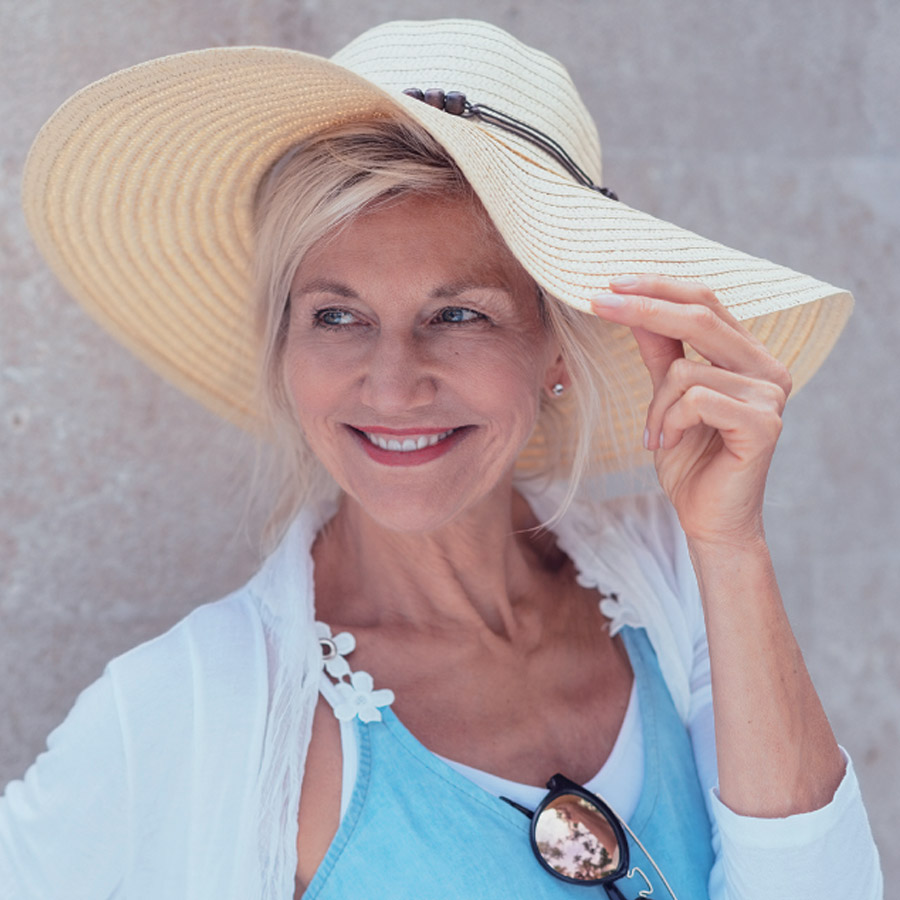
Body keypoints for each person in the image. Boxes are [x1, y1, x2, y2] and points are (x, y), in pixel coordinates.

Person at [0, 17, 882, 900]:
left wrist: (732, 549)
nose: (392, 383)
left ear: (557, 351)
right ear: (284, 349)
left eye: (459, 314)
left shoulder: (678, 583)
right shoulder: (188, 703)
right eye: (336, 316)